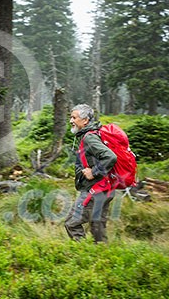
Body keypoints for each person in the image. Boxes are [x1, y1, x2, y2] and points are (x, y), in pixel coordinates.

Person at [64, 104, 117, 243]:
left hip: (94, 190)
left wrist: (94, 172)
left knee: (71, 223)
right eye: (71, 117)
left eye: (74, 117)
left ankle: (82, 254)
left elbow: (110, 157)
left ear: (85, 120)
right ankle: (100, 257)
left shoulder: (89, 138)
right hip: (105, 189)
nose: (71, 120)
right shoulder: (91, 134)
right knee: (97, 227)